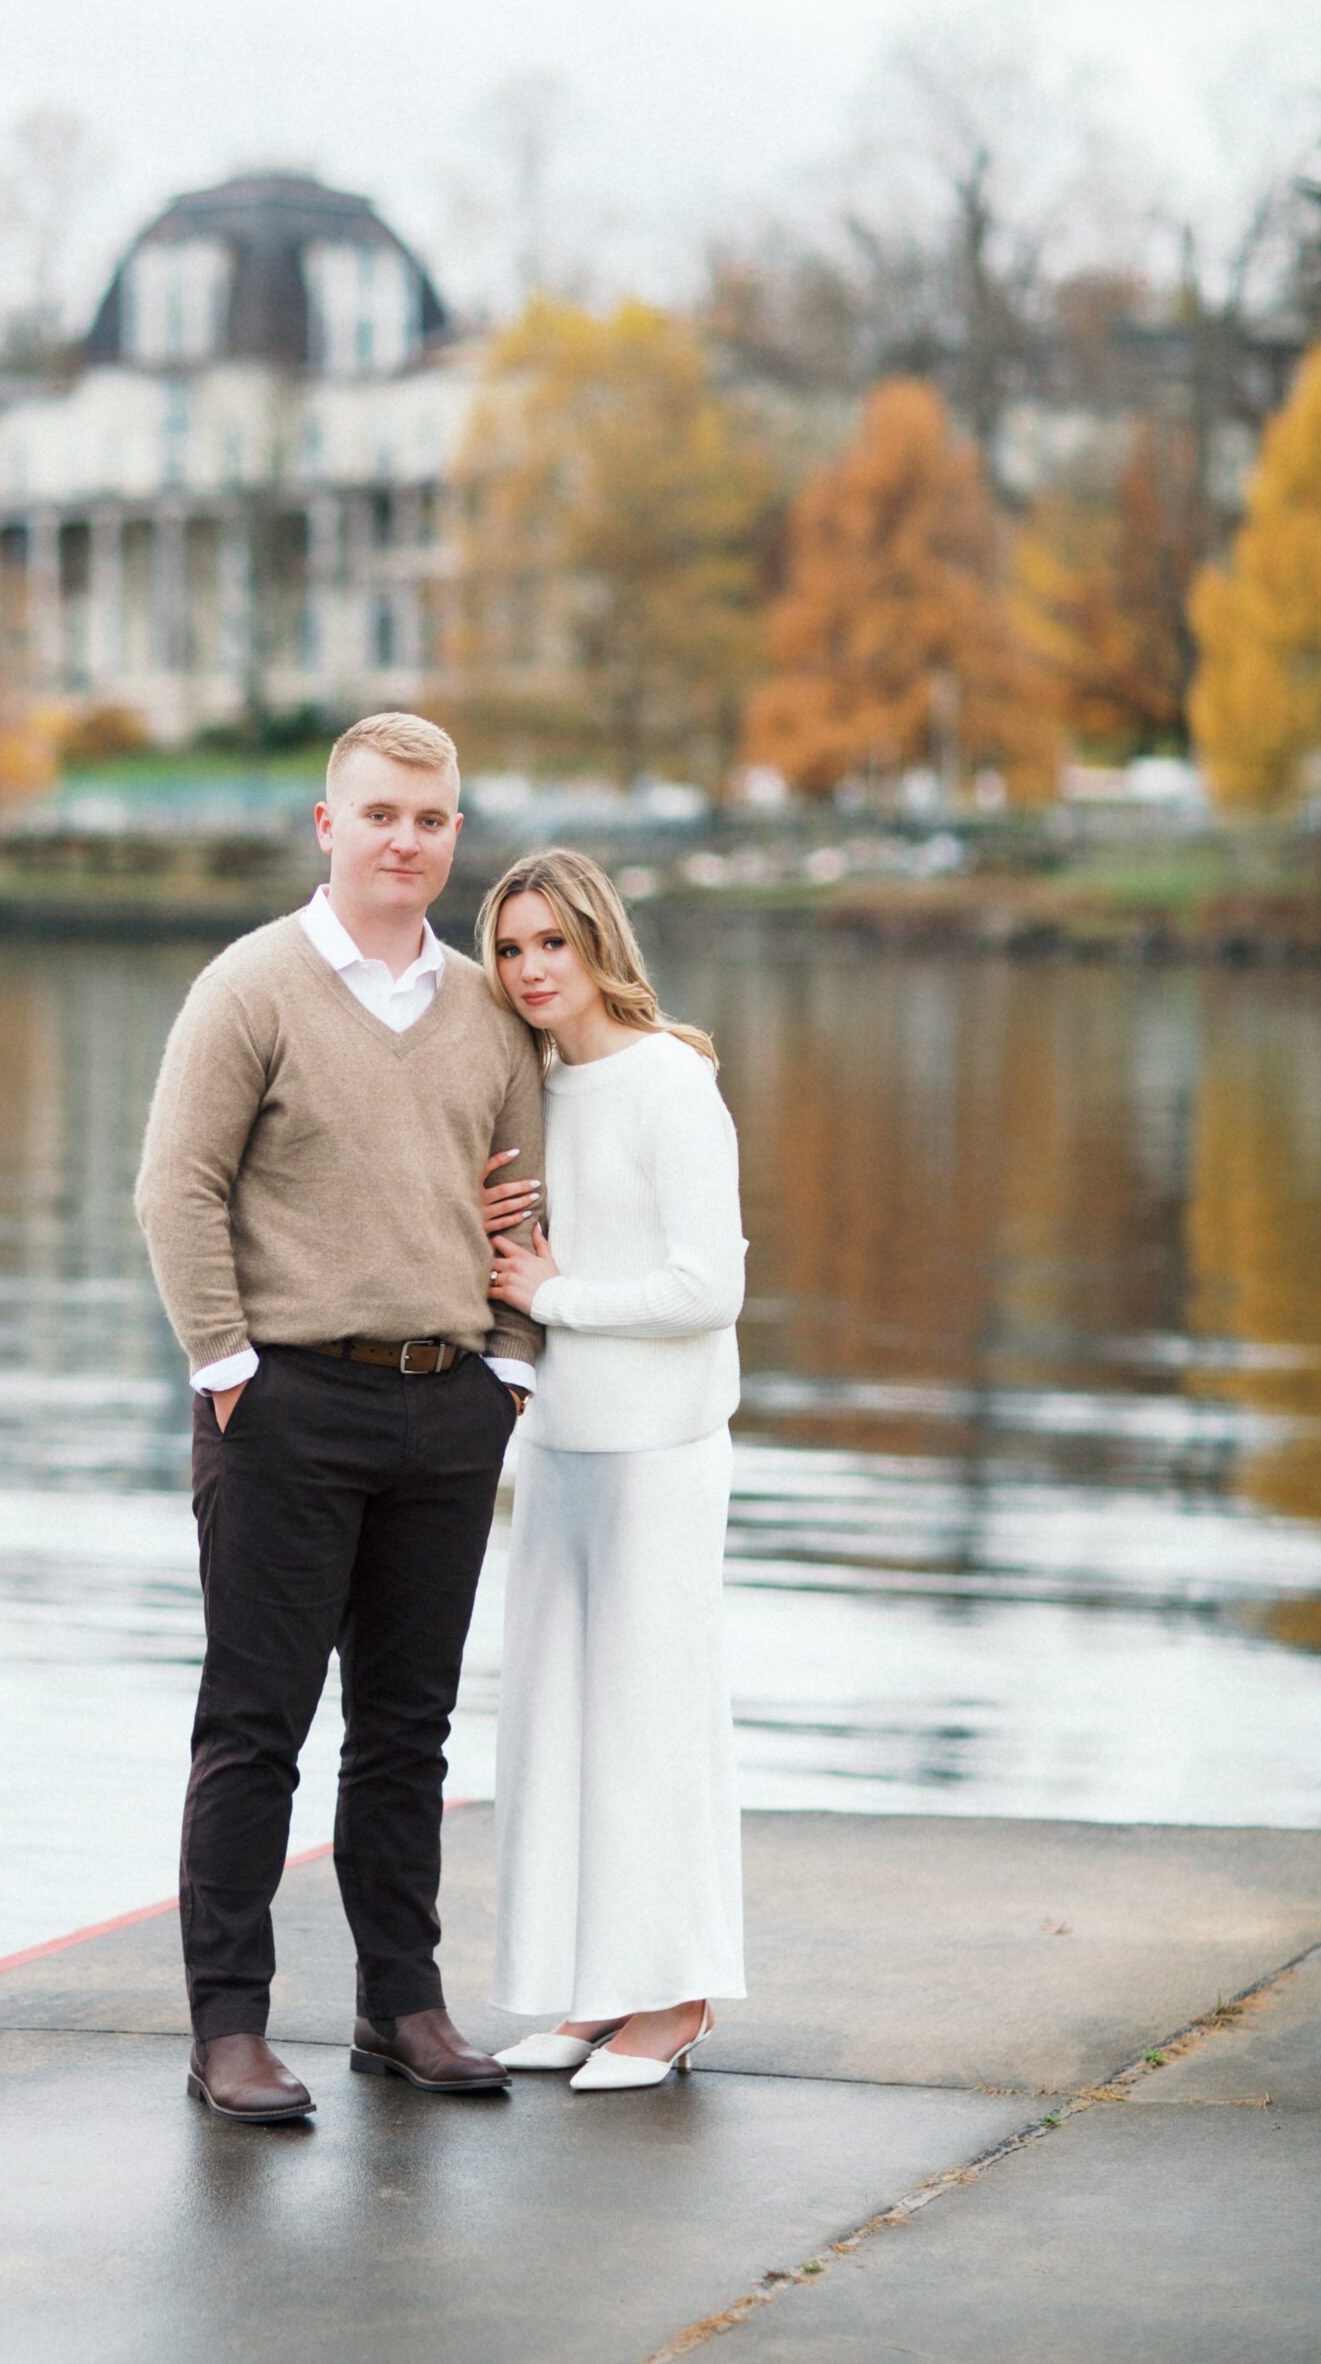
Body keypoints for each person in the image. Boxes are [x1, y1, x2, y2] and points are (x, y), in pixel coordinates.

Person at [134, 712, 544, 2124]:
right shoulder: (250, 987)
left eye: (431, 820)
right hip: (287, 1404)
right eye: (380, 815)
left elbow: (520, 1206)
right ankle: (230, 2028)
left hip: (448, 1410)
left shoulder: (490, 1011)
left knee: (408, 1731)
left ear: (453, 831)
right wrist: (229, 1370)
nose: (406, 841)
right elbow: (174, 1189)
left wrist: (514, 1370)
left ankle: (400, 2004)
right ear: (330, 825)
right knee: (256, 1724)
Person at [476, 848, 747, 2092]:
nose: (531, 969)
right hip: (559, 1445)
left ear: (596, 944)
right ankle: (593, 1993)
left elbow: (710, 1288)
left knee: (650, 1726)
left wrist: (556, 1292)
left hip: (660, 1450)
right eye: (511, 948)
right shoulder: (532, 1089)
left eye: (550, 943)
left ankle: (675, 1997)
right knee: (558, 1727)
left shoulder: (670, 1083)